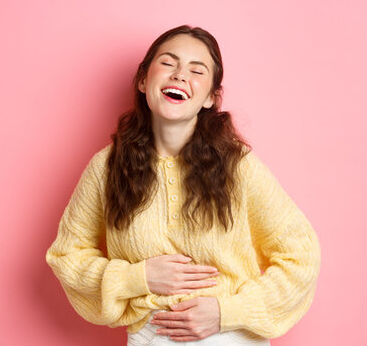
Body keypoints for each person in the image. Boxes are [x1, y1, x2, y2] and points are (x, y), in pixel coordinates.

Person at [45, 25, 321, 345]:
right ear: (143, 79)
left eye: (196, 70)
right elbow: (66, 256)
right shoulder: (106, 168)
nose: (179, 75)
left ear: (210, 98)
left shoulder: (238, 167)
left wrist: (226, 312)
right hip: (149, 335)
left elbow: (301, 256)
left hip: (229, 336)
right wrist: (138, 277)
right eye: (168, 63)